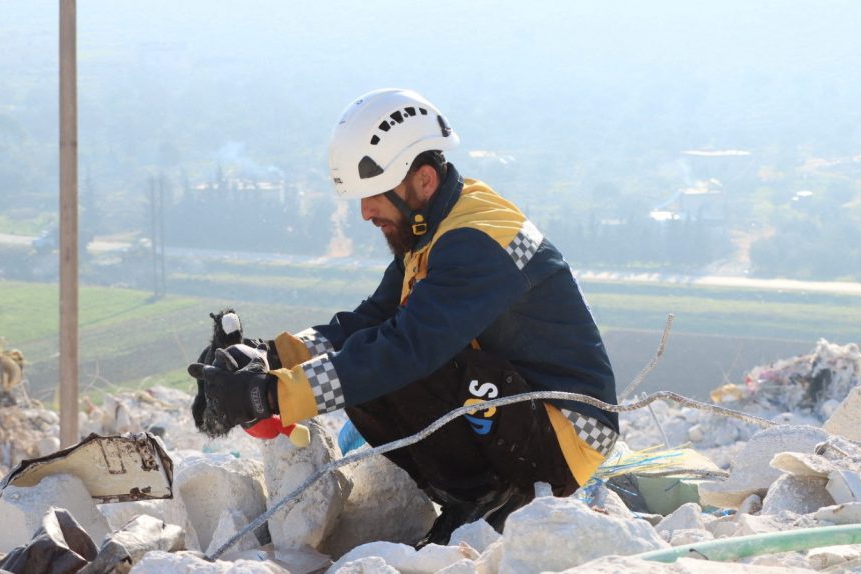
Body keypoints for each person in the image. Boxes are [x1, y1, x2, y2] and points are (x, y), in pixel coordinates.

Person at [192, 88, 619, 546]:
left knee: (387, 363)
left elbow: (405, 347)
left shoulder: (474, 239)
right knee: (360, 361)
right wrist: (266, 356)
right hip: (524, 410)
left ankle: (492, 499)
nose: (364, 213)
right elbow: (367, 322)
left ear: (424, 180)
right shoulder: (435, 225)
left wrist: (270, 394)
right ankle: (476, 499)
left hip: (566, 435)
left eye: (373, 195)